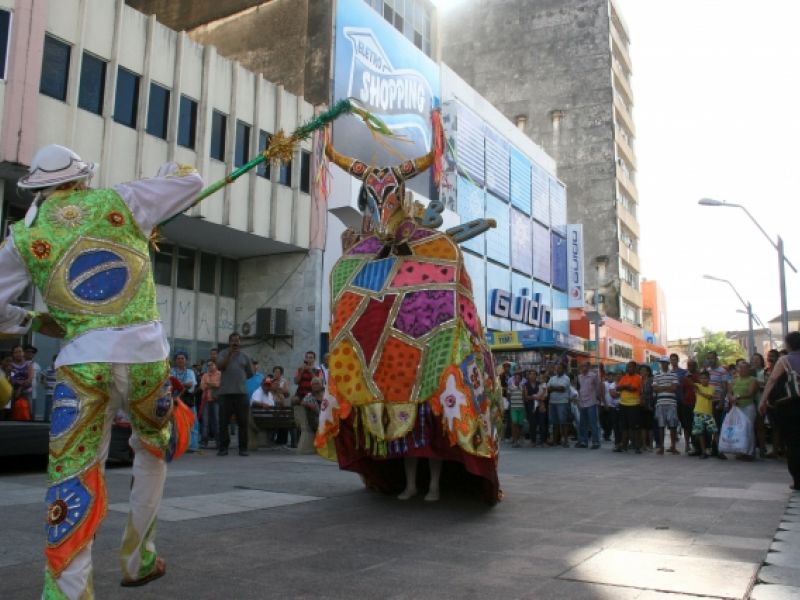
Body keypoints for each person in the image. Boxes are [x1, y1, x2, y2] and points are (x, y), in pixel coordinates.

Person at [0, 143, 202, 596]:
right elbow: (190, 181)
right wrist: (167, 172)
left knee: (71, 472)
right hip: (146, 357)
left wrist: (31, 320)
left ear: (38, 190)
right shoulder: (121, 199)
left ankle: (68, 592)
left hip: (81, 362)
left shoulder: (23, 238)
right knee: (152, 450)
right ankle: (138, 559)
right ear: (81, 179)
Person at [759, 332, 800, 490]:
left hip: (791, 405)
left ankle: (797, 480)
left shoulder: (785, 360)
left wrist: (763, 400)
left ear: (788, 344)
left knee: (793, 443)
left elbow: (772, 380)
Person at [217, 332, 254, 456]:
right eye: (233, 340)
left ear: (240, 342)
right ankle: (223, 448)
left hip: (241, 393)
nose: (235, 343)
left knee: (243, 423)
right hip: (225, 393)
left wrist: (240, 379)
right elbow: (220, 366)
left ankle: (243, 448)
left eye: (237, 340)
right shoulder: (223, 353)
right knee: (223, 422)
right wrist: (230, 354)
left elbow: (250, 373)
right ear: (229, 342)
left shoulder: (245, 356)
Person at [728, 361, 758, 460]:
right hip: (737, 408)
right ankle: (741, 451)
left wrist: (737, 397)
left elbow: (750, 393)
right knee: (738, 430)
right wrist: (731, 398)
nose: (742, 370)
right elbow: (729, 392)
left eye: (745, 368)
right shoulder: (734, 380)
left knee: (748, 429)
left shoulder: (752, 380)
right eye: (740, 368)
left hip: (748, 407)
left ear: (749, 369)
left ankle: (750, 452)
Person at [293, 350, 322, 449]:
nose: (308, 359)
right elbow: (296, 381)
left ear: (314, 359)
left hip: (313, 395)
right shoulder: (300, 369)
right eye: (307, 357)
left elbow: (318, 381)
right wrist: (301, 372)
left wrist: (310, 371)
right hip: (301, 394)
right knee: (294, 401)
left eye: (311, 357)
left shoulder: (318, 370)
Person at [170, 351, 198, 451]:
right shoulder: (171, 371)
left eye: (182, 358)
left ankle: (192, 446)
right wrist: (183, 385)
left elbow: (191, 386)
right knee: (175, 424)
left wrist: (179, 385)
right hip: (174, 401)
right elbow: (170, 385)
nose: (180, 360)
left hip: (187, 400)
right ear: (175, 360)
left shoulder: (190, 372)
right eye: (178, 358)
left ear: (186, 360)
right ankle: (177, 445)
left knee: (191, 422)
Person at [653, 358, 680, 455]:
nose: (663, 364)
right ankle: (662, 447)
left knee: (673, 425)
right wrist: (668, 387)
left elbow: (674, 388)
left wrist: (661, 387)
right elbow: (655, 389)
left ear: (668, 363)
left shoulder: (673, 374)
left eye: (664, 363)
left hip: (671, 402)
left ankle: (673, 447)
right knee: (661, 425)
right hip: (660, 402)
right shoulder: (657, 375)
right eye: (662, 363)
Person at [706, 350, 730, 458]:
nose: (710, 360)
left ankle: (720, 450)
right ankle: (714, 449)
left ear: (716, 358)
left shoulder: (722, 371)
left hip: (717, 401)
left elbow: (725, 388)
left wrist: (721, 402)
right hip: (708, 401)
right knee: (711, 426)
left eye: (712, 358)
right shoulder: (707, 371)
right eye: (709, 358)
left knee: (716, 426)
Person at [616, 361, 642, 454]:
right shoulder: (624, 377)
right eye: (628, 367)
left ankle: (637, 446)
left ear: (635, 368)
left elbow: (633, 389)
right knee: (624, 427)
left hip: (634, 405)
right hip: (623, 404)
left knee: (635, 427)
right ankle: (624, 445)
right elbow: (617, 388)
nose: (629, 368)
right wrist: (625, 386)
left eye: (631, 367)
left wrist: (624, 387)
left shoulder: (638, 377)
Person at [576, 363, 602, 449]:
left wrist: (598, 398)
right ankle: (583, 441)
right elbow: (578, 389)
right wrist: (578, 400)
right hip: (582, 402)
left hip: (592, 402)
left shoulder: (594, 376)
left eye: (586, 366)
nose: (584, 368)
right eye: (582, 366)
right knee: (582, 423)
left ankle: (596, 442)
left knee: (593, 423)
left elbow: (598, 387)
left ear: (589, 367)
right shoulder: (579, 377)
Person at [693, 371, 719, 459]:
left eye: (705, 378)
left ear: (709, 379)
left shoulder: (711, 387)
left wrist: (699, 392)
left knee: (714, 431)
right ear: (699, 379)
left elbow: (709, 397)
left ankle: (720, 451)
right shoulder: (697, 385)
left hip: (708, 413)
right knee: (700, 433)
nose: (703, 380)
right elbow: (691, 383)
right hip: (698, 412)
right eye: (702, 378)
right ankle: (703, 452)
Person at [547, 363, 572, 448]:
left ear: (564, 370)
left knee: (563, 422)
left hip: (562, 403)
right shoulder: (552, 378)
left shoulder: (566, 378)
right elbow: (548, 389)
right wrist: (556, 388)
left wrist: (553, 388)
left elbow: (562, 389)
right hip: (552, 402)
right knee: (554, 423)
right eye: (557, 368)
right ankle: (555, 441)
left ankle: (565, 441)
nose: (557, 370)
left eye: (559, 368)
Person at [297, 376, 324, 454]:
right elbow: (302, 402)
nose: (315, 386)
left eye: (317, 384)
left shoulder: (326, 394)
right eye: (313, 384)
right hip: (316, 419)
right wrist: (309, 404)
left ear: (321, 385)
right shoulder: (310, 395)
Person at [199, 359, 221, 449]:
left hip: (216, 400)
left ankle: (218, 442)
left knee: (217, 421)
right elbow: (202, 386)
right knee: (205, 422)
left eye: (211, 365)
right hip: (206, 400)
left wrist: (210, 384)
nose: (209, 367)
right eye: (208, 365)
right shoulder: (205, 375)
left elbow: (220, 384)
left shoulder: (220, 374)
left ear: (216, 365)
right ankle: (204, 442)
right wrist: (213, 385)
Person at [680, 359, 700, 455]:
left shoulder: (699, 376)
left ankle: (696, 445)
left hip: (697, 404)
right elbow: (683, 389)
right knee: (687, 425)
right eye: (689, 365)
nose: (690, 367)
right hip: (687, 404)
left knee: (696, 425)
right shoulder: (685, 377)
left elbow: (699, 387)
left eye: (692, 365)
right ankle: (687, 444)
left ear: (696, 366)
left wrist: (691, 380)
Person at [507, 369, 526, 448]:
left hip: (521, 408)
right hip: (513, 408)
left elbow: (524, 398)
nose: (517, 379)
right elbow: (508, 397)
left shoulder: (523, 387)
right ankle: (515, 440)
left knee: (520, 425)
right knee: (514, 423)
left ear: (521, 379)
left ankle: (518, 439)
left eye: (519, 378)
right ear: (514, 379)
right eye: (516, 378)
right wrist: (510, 404)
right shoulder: (510, 387)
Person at [25, 344, 43, 419]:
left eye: (32, 352)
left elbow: (39, 379)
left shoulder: (37, 366)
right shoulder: (21, 364)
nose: (30, 353)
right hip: (22, 392)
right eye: (28, 351)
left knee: (31, 412)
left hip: (33, 393)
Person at [42, 354, 59, 422]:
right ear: (53, 360)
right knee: (48, 407)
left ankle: (54, 420)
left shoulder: (60, 369)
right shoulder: (48, 368)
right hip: (49, 392)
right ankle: (45, 420)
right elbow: (42, 376)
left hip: (57, 392)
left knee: (56, 407)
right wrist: (44, 384)